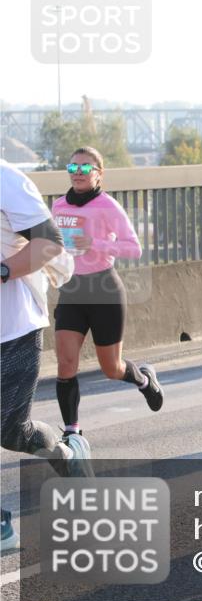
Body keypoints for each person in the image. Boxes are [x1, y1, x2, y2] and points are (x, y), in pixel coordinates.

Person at [1, 160, 92, 551]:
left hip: (13, 329)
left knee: (10, 431)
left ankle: (65, 453)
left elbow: (49, 243)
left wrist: (2, 270)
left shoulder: (6, 180)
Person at [51, 147, 163, 438]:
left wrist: (96, 244)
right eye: (72, 166)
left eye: (85, 168)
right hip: (72, 290)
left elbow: (134, 248)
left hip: (104, 290)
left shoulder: (108, 206)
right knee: (65, 363)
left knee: (111, 368)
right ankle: (72, 433)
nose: (78, 172)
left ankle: (144, 379)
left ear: (98, 174)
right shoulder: (59, 206)